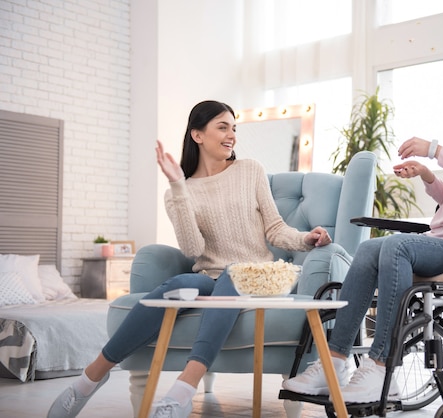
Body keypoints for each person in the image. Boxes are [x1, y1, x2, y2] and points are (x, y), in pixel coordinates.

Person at [282, 58, 443, 403]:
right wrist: (428, 174)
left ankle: (381, 368)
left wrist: (435, 149)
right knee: (367, 249)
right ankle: (335, 361)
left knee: (397, 247)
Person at [47, 100, 333, 418]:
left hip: (257, 275)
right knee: (179, 283)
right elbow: (193, 248)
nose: (232, 135)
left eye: (233, 128)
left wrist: (305, 239)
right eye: (222, 127)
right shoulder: (179, 191)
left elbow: (276, 228)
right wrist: (178, 187)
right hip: (212, 277)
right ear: (197, 135)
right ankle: (88, 380)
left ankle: (184, 388)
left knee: (233, 272)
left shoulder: (250, 170)